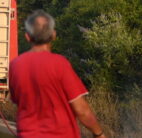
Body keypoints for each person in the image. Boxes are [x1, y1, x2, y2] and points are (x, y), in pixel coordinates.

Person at [9, 10, 106, 138]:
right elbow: (81, 110)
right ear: (53, 35)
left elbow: (18, 101)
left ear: (27, 36)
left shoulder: (15, 65)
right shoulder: (60, 64)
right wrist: (99, 133)